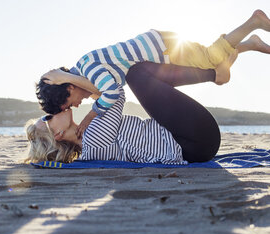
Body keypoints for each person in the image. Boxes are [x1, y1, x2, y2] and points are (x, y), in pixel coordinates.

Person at [36, 9, 270, 138]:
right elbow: (101, 91)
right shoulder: (86, 67)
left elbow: (111, 93)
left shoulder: (89, 69)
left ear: (69, 87)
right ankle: (250, 43)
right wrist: (69, 80)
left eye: (69, 103)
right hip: (159, 45)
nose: (75, 107)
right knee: (208, 60)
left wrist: (89, 118)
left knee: (210, 58)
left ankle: (254, 22)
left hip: (163, 50)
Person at [26, 54, 238, 164]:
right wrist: (68, 79)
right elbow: (114, 92)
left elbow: (105, 96)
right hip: (193, 140)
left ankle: (211, 69)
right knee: (136, 74)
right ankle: (214, 74)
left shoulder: (89, 142)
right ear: (58, 134)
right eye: (47, 118)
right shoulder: (92, 139)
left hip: (192, 141)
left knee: (142, 73)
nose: (54, 111)